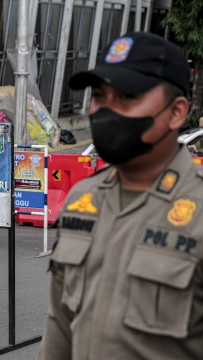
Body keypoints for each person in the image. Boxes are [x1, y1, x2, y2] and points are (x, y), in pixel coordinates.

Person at [37, 32, 203, 359]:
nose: (105, 110)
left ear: (176, 112)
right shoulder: (82, 198)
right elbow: (59, 323)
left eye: (126, 96)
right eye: (99, 95)